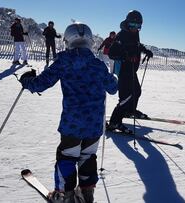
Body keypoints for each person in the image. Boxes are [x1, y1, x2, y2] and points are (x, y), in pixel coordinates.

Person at [19, 22, 118, 203]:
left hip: (72, 124)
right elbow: (112, 88)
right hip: (94, 125)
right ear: (89, 41)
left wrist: (27, 80)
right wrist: (112, 78)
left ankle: (65, 196)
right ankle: (87, 195)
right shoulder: (98, 65)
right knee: (87, 158)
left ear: (68, 41)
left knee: (67, 158)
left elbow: (41, 83)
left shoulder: (63, 62)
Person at [106, 10, 153, 133]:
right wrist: (125, 56)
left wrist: (145, 50)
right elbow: (111, 53)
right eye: (133, 25)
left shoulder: (135, 33)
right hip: (123, 71)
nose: (135, 28)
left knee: (137, 92)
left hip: (132, 70)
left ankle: (129, 111)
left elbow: (137, 44)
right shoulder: (121, 35)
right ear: (127, 23)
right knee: (126, 97)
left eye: (138, 26)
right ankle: (114, 122)